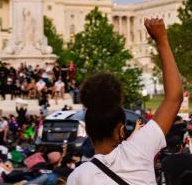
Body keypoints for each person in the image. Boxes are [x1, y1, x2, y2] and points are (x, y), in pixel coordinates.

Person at [67, 18, 183, 184]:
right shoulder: (139, 150)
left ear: (89, 134)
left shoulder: (78, 177)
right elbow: (174, 97)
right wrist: (161, 40)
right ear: (121, 131)